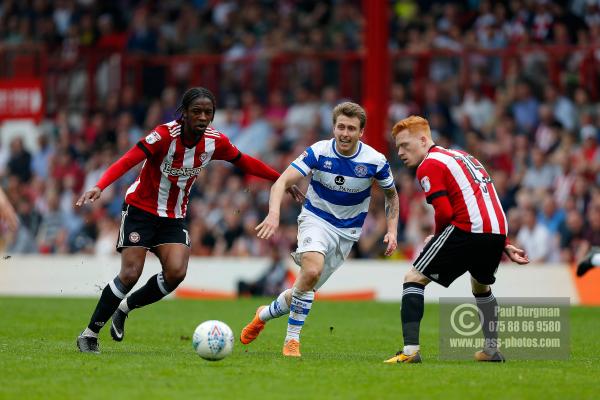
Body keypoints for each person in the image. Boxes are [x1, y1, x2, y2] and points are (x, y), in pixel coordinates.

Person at [75, 87, 303, 354]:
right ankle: (89, 334)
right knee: (130, 273)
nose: (203, 117)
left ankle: (125, 308)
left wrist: (281, 179)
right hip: (140, 210)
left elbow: (245, 162)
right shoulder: (163, 135)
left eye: (208, 112)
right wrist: (100, 185)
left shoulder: (214, 141)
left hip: (173, 216)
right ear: (184, 114)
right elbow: (128, 160)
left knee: (176, 273)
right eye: (197, 112)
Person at [239, 102, 399, 357]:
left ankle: (263, 315)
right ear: (333, 128)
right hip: (316, 219)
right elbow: (282, 181)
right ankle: (292, 340)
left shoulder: (375, 160)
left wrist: (392, 230)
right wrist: (274, 214)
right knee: (311, 270)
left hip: (347, 233)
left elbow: (392, 195)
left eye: (351, 128)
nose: (345, 133)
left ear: (361, 132)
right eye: (341, 127)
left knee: (304, 288)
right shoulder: (319, 152)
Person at [384, 115, 529, 364]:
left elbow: (445, 212)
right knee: (481, 287)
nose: (400, 152)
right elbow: (485, 201)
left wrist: (438, 237)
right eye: (397, 146)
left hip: (466, 229)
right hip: (495, 229)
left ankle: (409, 353)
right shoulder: (465, 157)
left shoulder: (428, 165)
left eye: (405, 145)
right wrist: (503, 243)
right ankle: (491, 350)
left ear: (422, 140)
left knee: (413, 278)